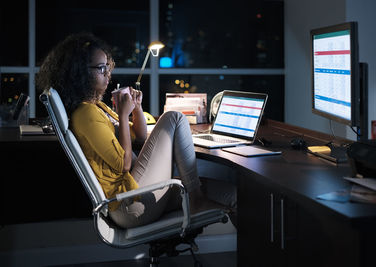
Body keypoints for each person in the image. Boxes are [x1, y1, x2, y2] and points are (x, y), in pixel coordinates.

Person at [36, 32, 236, 229]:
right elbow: (124, 163)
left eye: (108, 66)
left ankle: (245, 244)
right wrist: (123, 116)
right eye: (100, 68)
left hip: (135, 191)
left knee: (232, 195)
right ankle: (196, 199)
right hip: (129, 204)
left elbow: (139, 136)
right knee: (173, 118)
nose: (107, 73)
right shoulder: (86, 114)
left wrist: (136, 108)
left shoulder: (98, 107)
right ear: (79, 72)